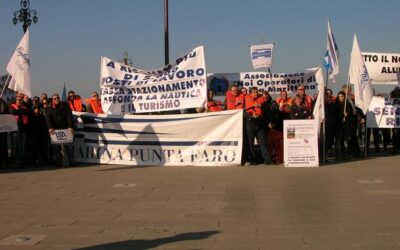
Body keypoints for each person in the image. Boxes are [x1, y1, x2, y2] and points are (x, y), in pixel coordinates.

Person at [244, 87, 272, 165]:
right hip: (250, 121)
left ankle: (267, 160)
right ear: (250, 93)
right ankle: (253, 160)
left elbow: (266, 104)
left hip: (259, 121)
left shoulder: (261, 98)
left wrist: (260, 105)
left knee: (262, 142)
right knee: (251, 143)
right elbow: (243, 110)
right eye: (254, 92)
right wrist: (251, 115)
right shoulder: (246, 98)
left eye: (256, 92)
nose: (255, 93)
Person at [46, 94, 75, 166]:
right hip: (55, 130)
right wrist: (50, 127)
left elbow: (69, 116)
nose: (56, 99)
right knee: (56, 148)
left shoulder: (65, 106)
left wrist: (70, 126)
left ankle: (71, 162)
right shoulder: (49, 108)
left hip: (65, 129)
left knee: (68, 146)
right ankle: (59, 163)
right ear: (52, 100)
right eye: (54, 98)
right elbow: (48, 118)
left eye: (57, 98)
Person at [334, 91, 354, 161]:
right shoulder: (336, 104)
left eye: (342, 96)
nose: (340, 98)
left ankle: (345, 155)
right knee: (338, 141)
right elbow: (335, 115)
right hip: (338, 126)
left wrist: (347, 114)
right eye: (339, 97)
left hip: (346, 125)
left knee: (345, 141)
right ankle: (338, 156)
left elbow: (352, 114)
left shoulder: (347, 105)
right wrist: (342, 115)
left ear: (344, 97)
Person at [10, 95, 29, 167]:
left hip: (23, 130)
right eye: (18, 100)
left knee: (22, 146)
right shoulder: (12, 107)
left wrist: (20, 109)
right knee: (15, 146)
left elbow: (27, 112)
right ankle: (14, 162)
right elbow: (14, 112)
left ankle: (21, 161)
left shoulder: (25, 108)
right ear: (15, 101)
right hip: (15, 130)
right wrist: (19, 109)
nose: (20, 101)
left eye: (21, 100)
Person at [0, 99, 10, 166]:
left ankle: (4, 161)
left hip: (3, 128)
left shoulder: (3, 102)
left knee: (3, 144)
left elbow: (6, 112)